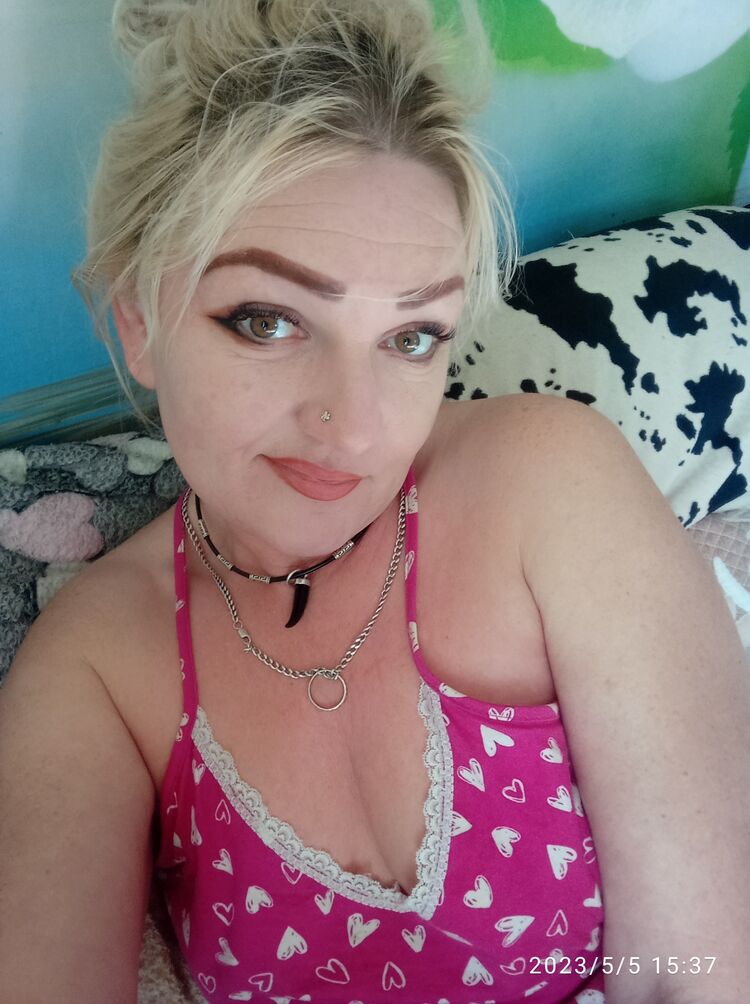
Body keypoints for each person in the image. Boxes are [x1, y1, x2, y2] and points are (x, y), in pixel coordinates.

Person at [1, 0, 748, 1001]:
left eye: (411, 337)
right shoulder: (98, 662)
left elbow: (696, 976)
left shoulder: (546, 483)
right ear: (139, 320)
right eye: (267, 321)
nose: (354, 428)